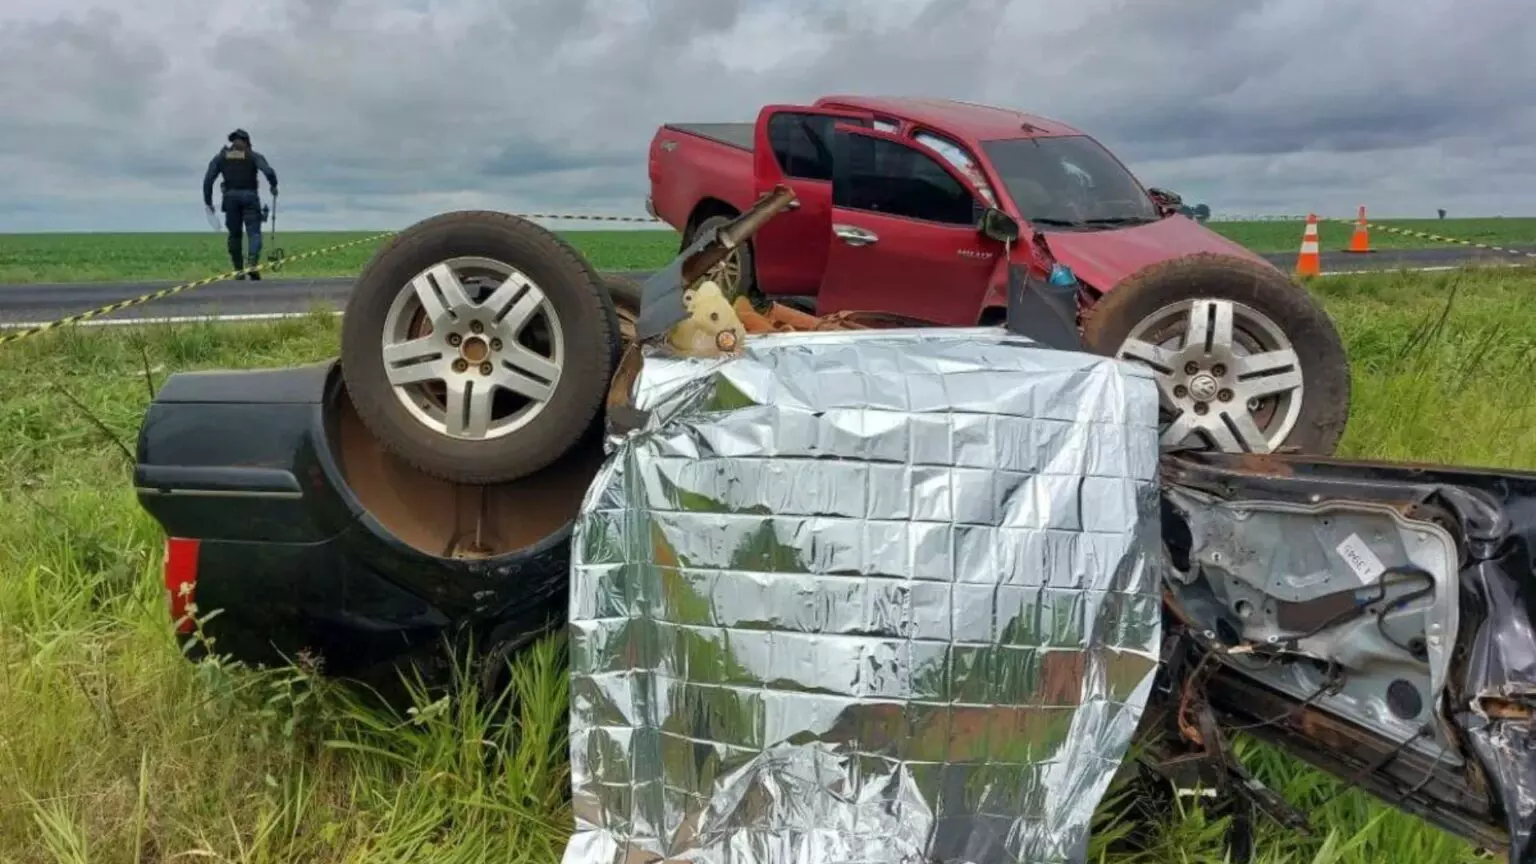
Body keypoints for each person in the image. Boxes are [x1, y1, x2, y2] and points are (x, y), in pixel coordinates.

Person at [203, 129, 278, 280]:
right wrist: (273, 185)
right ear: (246, 141)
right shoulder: (252, 155)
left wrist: (208, 201)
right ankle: (252, 264)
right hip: (250, 197)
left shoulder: (221, 157)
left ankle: (238, 270)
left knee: (234, 235)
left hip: (230, 199)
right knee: (254, 233)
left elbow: (208, 180)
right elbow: (268, 171)